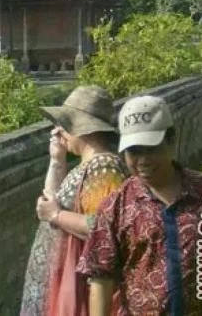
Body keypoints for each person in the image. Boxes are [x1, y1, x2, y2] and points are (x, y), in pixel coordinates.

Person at [78, 95, 202, 315]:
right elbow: (101, 277)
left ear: (171, 141)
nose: (143, 161)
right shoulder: (116, 206)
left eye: (151, 149)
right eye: (134, 151)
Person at [20, 86, 128, 316]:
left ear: (83, 129)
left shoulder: (104, 167)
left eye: (66, 124)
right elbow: (50, 202)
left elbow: (103, 229)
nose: (59, 131)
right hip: (63, 279)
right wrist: (57, 160)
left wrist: (57, 216)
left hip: (80, 285)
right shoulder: (86, 165)